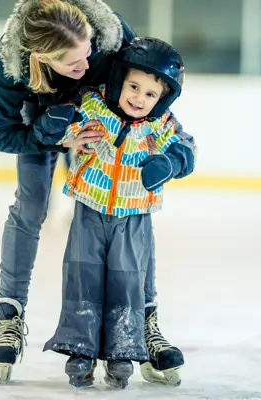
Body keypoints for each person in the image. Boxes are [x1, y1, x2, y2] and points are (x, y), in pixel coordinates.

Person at [0, 0, 196, 385]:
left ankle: (145, 322)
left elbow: (152, 96)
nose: (85, 67)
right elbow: (0, 134)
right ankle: (9, 317)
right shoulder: (10, 66)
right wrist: (57, 137)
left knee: (131, 211)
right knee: (30, 207)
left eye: (88, 55)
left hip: (102, 117)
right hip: (44, 122)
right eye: (73, 64)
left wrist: (173, 153)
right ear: (41, 58)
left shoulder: (111, 36)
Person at [42, 37, 194, 389]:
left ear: (163, 99)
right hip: (89, 211)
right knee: (84, 279)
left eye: (150, 94)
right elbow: (64, 129)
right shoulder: (95, 109)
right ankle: (79, 348)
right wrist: (55, 122)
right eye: (134, 86)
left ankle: (122, 349)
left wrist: (170, 162)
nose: (139, 98)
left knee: (127, 284)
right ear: (119, 81)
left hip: (133, 217)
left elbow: (187, 148)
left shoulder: (161, 127)